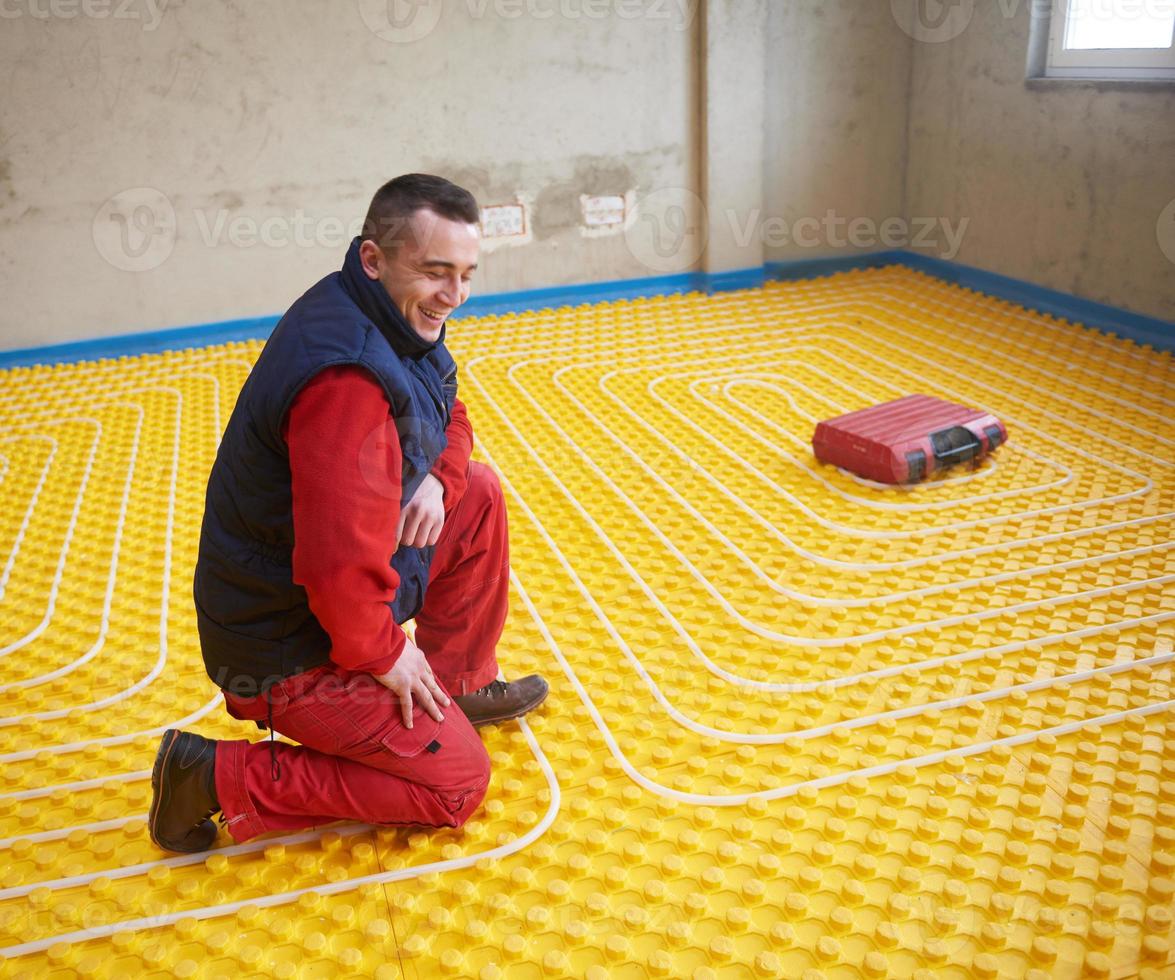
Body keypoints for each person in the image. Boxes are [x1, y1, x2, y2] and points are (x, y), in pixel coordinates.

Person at [148, 174, 548, 853]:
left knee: (474, 492)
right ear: (374, 257)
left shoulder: (383, 312)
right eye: (434, 272)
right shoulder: (348, 382)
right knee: (454, 784)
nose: (453, 297)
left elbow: (449, 407)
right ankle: (213, 776)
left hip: (319, 598)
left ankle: (458, 688)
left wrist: (440, 482)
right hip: (286, 645)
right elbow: (337, 571)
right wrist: (388, 658)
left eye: (465, 274)